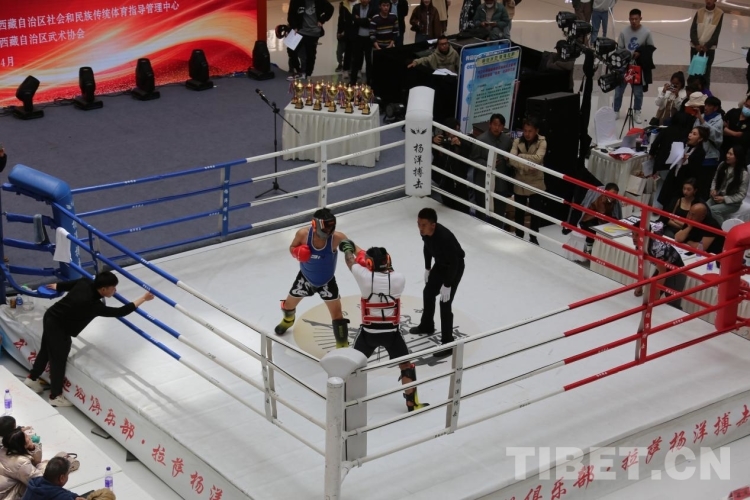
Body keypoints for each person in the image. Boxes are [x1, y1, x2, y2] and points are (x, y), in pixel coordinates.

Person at [24, 272, 154, 407]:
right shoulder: (93, 305)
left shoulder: (85, 282)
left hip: (51, 316)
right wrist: (144, 298)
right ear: (103, 289)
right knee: (58, 360)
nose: (115, 290)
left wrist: (58, 286)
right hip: (59, 327)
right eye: (113, 288)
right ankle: (55, 396)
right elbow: (120, 311)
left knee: (46, 350)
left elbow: (72, 284)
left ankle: (32, 378)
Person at [339, 243, 429, 411]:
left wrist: (347, 249)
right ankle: (412, 403)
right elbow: (390, 272)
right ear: (387, 260)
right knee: (406, 365)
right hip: (391, 334)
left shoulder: (363, 276)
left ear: (369, 263)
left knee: (352, 364)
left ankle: (343, 398)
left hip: (368, 333)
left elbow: (350, 261)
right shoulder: (399, 279)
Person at [275, 208, 354, 349]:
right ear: (315, 224)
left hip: (327, 282)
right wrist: (296, 252)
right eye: (325, 229)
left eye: (331, 228)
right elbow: (292, 247)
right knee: (288, 306)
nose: (328, 232)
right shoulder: (303, 234)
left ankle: (342, 345)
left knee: (337, 315)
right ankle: (288, 320)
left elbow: (354, 248)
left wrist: (362, 258)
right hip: (305, 279)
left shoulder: (337, 238)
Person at [409, 208, 465, 358]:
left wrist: (447, 284)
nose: (420, 228)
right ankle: (427, 325)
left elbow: (454, 263)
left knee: (445, 303)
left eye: (423, 225)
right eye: (418, 224)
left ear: (433, 225)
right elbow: (427, 248)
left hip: (454, 267)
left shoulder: (445, 238)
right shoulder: (425, 233)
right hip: (440, 264)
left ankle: (448, 343)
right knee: (428, 293)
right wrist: (428, 267)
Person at [509, 117, 547, 245]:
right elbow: (511, 159)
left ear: (536, 131)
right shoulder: (517, 141)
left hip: (536, 182)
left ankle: (533, 236)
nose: (527, 134)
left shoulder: (542, 142)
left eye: (530, 131)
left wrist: (520, 156)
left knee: (535, 212)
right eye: (525, 130)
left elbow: (538, 159)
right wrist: (527, 166)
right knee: (519, 211)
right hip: (520, 180)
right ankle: (519, 235)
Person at [470, 113, 513, 222]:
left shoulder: (507, 141)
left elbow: (511, 161)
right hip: (483, 182)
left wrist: (508, 160)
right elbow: (474, 159)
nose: (496, 128)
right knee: (481, 215)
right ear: (490, 124)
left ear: (503, 127)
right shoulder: (480, 140)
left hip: (501, 184)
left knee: (499, 216)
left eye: (499, 125)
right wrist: (489, 164)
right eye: (494, 124)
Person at [614, 9, 654, 124]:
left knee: (638, 92)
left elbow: (651, 47)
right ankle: (616, 110)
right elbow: (619, 48)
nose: (634, 21)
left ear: (640, 18)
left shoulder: (646, 32)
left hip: (637, 66)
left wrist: (640, 53)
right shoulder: (624, 32)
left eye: (636, 19)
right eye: (632, 19)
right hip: (624, 65)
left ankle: (637, 111)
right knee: (619, 90)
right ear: (629, 19)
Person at [656, 126, 708, 208]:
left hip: (683, 181)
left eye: (694, 134)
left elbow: (695, 170)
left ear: (700, 139)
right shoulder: (683, 143)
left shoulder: (700, 152)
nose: (690, 135)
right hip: (673, 176)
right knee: (666, 202)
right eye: (691, 132)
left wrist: (686, 160)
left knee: (675, 204)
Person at [631, 228, 686, 304]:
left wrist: (656, 294)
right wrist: (639, 286)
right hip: (663, 267)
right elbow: (642, 266)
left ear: (646, 236)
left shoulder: (657, 249)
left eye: (637, 235)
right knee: (650, 294)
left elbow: (662, 272)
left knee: (672, 303)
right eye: (632, 234)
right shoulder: (639, 246)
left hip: (676, 270)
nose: (633, 238)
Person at [433, 117, 473, 213]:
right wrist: (433, 141)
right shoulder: (441, 139)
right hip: (445, 180)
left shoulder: (463, 140)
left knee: (464, 208)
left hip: (459, 180)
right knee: (448, 208)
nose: (454, 133)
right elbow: (434, 154)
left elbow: (469, 155)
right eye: (451, 130)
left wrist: (459, 145)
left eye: (456, 130)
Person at [288, 0, 335, 79]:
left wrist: (322, 20)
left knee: (311, 54)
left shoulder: (319, 1)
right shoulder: (296, 1)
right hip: (299, 31)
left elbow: (330, 9)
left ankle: (308, 74)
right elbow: (291, 14)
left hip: (313, 32)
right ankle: (298, 70)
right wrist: (294, 26)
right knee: (291, 50)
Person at [707, 145, 749, 225]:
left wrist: (724, 199)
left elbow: (741, 195)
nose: (727, 156)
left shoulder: (743, 174)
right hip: (717, 197)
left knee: (714, 210)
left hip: (732, 203)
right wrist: (713, 189)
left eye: (731, 154)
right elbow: (715, 180)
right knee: (704, 207)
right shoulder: (722, 165)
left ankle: (724, 230)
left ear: (737, 157)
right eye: (728, 153)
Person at [0, 428, 45, 499]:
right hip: (7, 496)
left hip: (4, 488)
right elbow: (39, 481)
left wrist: (32, 448)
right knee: (46, 467)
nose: (29, 437)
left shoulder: (3, 450)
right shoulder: (21, 463)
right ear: (23, 445)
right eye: (27, 437)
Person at [693, 95, 724, 198]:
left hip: (710, 157)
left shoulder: (719, 121)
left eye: (709, 105)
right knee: (694, 184)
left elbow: (714, 136)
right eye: (705, 105)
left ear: (715, 108)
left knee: (704, 186)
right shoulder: (700, 116)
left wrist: (702, 121)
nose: (706, 107)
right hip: (697, 154)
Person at [21, 457, 91, 500]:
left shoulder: (35, 482)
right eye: (67, 474)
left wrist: (75, 497)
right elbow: (61, 494)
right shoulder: (62, 497)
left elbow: (59, 491)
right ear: (62, 478)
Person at [689, 0, 723, 88]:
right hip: (696, 47)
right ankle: (691, 89)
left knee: (706, 71)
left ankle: (705, 90)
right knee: (694, 69)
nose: (708, 1)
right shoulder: (699, 11)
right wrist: (696, 44)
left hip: (709, 48)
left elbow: (716, 33)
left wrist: (707, 46)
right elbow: (693, 29)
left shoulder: (719, 13)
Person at [579, 183, 620, 252]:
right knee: (593, 230)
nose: (613, 196)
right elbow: (602, 215)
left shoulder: (614, 201)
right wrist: (610, 225)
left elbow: (612, 214)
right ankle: (589, 249)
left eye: (615, 194)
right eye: (612, 193)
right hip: (589, 219)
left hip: (599, 219)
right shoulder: (601, 200)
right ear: (606, 191)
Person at [350, 0, 379, 85]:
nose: (364, 0)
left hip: (368, 38)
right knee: (355, 60)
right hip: (358, 38)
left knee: (368, 60)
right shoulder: (356, 7)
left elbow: (372, 22)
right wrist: (366, 20)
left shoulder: (373, 8)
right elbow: (355, 21)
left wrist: (359, 20)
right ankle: (353, 81)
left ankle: (369, 80)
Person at [722, 94, 750, 165]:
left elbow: (743, 137)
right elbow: (721, 128)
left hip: (740, 155)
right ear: (744, 103)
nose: (748, 109)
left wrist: (728, 131)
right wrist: (735, 134)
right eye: (747, 106)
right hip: (724, 149)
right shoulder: (733, 112)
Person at [335, 0, 356, 73]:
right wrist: (339, 31)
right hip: (343, 31)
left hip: (353, 32)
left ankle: (351, 65)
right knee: (339, 50)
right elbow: (340, 18)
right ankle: (340, 64)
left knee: (351, 51)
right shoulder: (343, 4)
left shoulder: (359, 4)